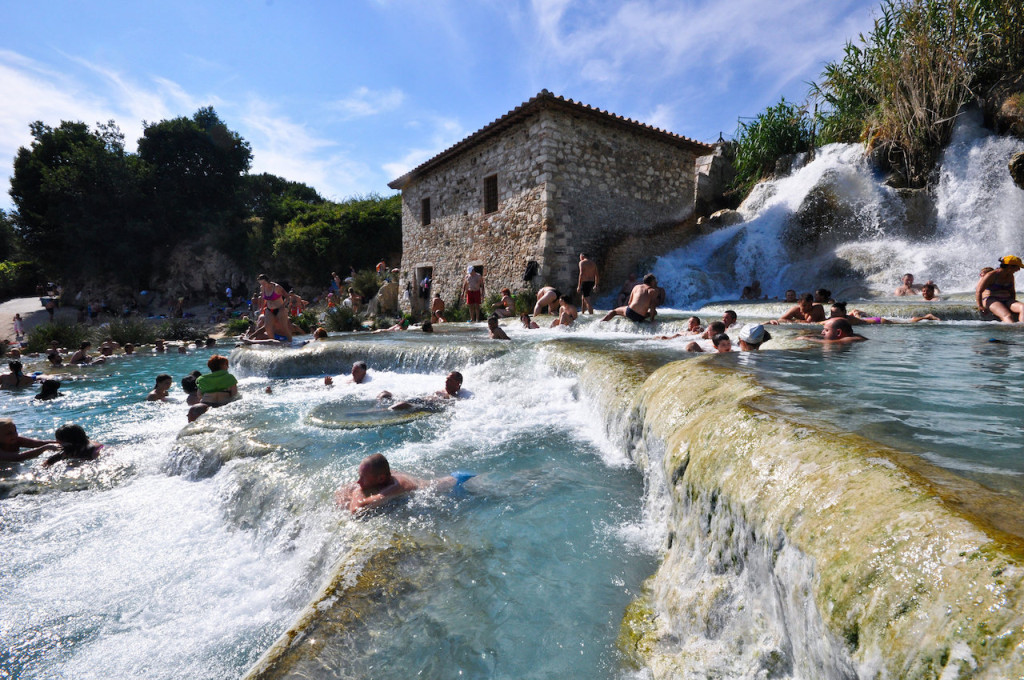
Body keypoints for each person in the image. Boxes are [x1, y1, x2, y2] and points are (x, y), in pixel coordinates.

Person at [334, 453, 467, 514]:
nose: (358, 482)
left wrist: (356, 493)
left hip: (452, 483)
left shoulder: (397, 486)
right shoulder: (383, 476)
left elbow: (356, 510)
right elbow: (341, 493)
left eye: (363, 478)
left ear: (380, 479)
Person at [377, 371, 465, 411]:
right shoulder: (442, 390)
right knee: (384, 393)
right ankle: (377, 407)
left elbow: (450, 405)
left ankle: (382, 412)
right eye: (446, 379)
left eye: (450, 380)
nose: (446, 381)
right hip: (419, 399)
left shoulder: (454, 397)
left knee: (401, 405)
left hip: (424, 405)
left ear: (457, 385)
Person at [189, 355, 239, 422]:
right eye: (227, 365)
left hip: (205, 404)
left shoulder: (202, 379)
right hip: (223, 405)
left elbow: (199, 395)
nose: (228, 367)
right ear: (224, 365)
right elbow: (234, 395)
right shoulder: (229, 378)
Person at [976, 256, 1024, 323]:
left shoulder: (1010, 276)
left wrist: (1012, 304)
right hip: (991, 299)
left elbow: (1012, 292)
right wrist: (980, 306)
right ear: (1010, 267)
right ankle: (1013, 331)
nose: (1018, 269)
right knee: (1007, 315)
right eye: (1017, 267)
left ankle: (1021, 329)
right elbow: (979, 291)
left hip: (1007, 300)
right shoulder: (991, 275)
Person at [257, 274, 293, 341]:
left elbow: (287, 297)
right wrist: (261, 308)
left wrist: (283, 306)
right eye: (261, 283)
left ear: (268, 281)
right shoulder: (262, 288)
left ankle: (290, 341)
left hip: (280, 308)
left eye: (264, 283)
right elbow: (263, 298)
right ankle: (273, 341)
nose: (262, 284)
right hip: (269, 309)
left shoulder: (276, 287)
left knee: (284, 327)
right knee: (267, 327)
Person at [797, 317, 868, 343]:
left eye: (826, 330)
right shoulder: (847, 335)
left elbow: (829, 342)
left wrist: (805, 338)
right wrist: (810, 335)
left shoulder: (850, 339)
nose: (822, 332)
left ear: (838, 332)